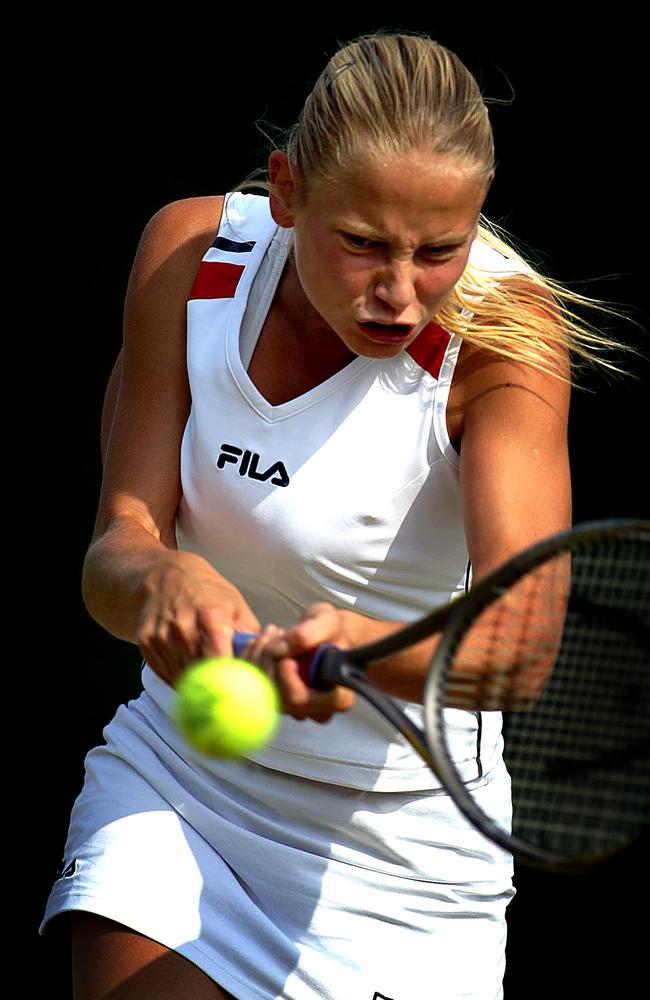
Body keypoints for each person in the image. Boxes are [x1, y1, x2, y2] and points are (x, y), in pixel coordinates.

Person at [41, 31, 625, 1000]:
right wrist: (161, 577)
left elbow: (519, 646)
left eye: (440, 250)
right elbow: (115, 551)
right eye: (361, 243)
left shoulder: (505, 339)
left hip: (403, 861)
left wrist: (353, 645)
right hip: (182, 785)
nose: (399, 292)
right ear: (286, 190)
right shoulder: (191, 258)